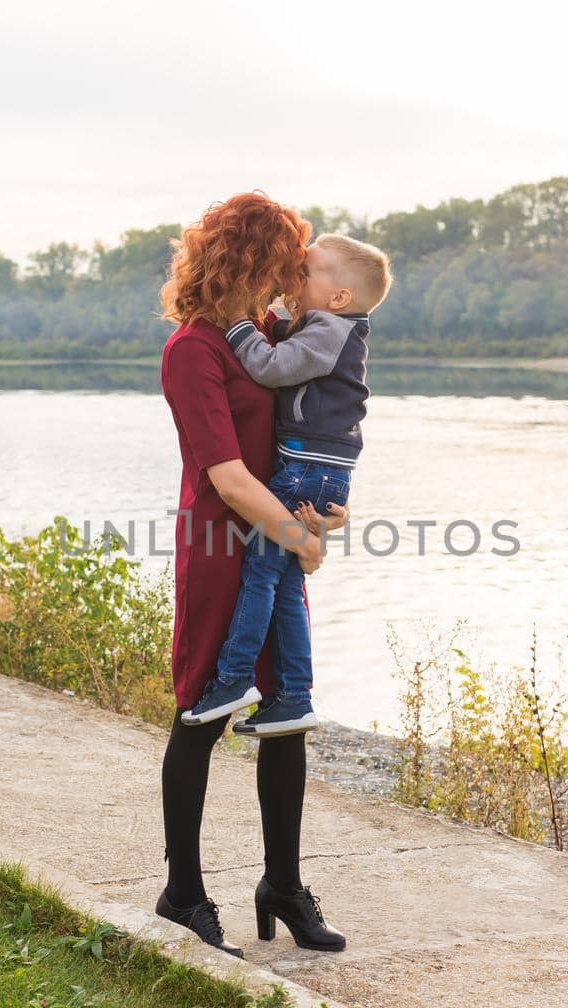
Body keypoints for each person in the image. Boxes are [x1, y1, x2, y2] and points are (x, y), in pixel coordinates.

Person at [156, 193, 347, 958]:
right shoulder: (192, 350)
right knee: (202, 712)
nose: (293, 275)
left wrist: (322, 507)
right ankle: (184, 892)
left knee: (287, 713)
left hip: (275, 542)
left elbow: (312, 433)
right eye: (285, 260)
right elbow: (229, 478)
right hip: (221, 547)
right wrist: (302, 540)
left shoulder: (274, 337)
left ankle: (283, 885)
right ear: (250, 259)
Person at [180, 234, 392, 737]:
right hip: (316, 469)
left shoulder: (330, 333)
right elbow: (291, 339)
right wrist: (271, 318)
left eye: (306, 272)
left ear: (338, 298)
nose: (294, 277)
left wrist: (237, 324)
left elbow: (274, 366)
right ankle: (295, 696)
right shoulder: (326, 326)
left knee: (261, 573)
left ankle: (233, 679)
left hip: (306, 470)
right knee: (288, 582)